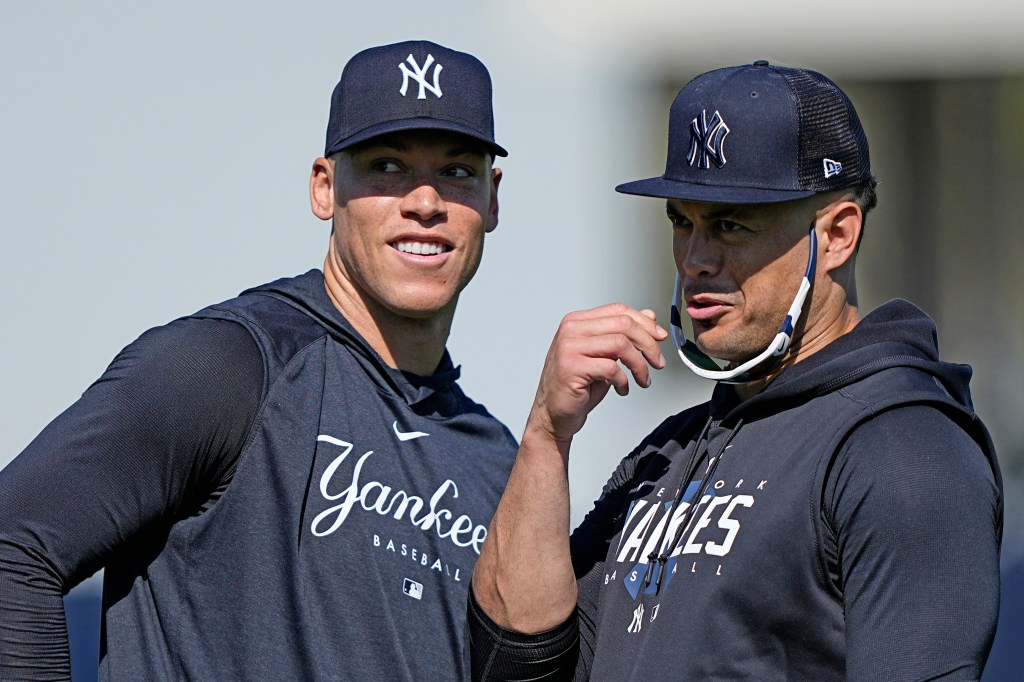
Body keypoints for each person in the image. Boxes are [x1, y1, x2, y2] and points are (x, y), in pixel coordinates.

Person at [0, 40, 518, 680]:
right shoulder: (224, 366)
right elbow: (12, 549)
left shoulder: (497, 461)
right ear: (324, 187)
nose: (424, 202)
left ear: (492, 200)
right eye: (386, 166)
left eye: (457, 172)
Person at [468, 61, 1003, 681]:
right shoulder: (668, 451)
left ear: (836, 236)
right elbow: (518, 668)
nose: (695, 259)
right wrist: (546, 436)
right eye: (682, 221)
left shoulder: (905, 447)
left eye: (730, 224)